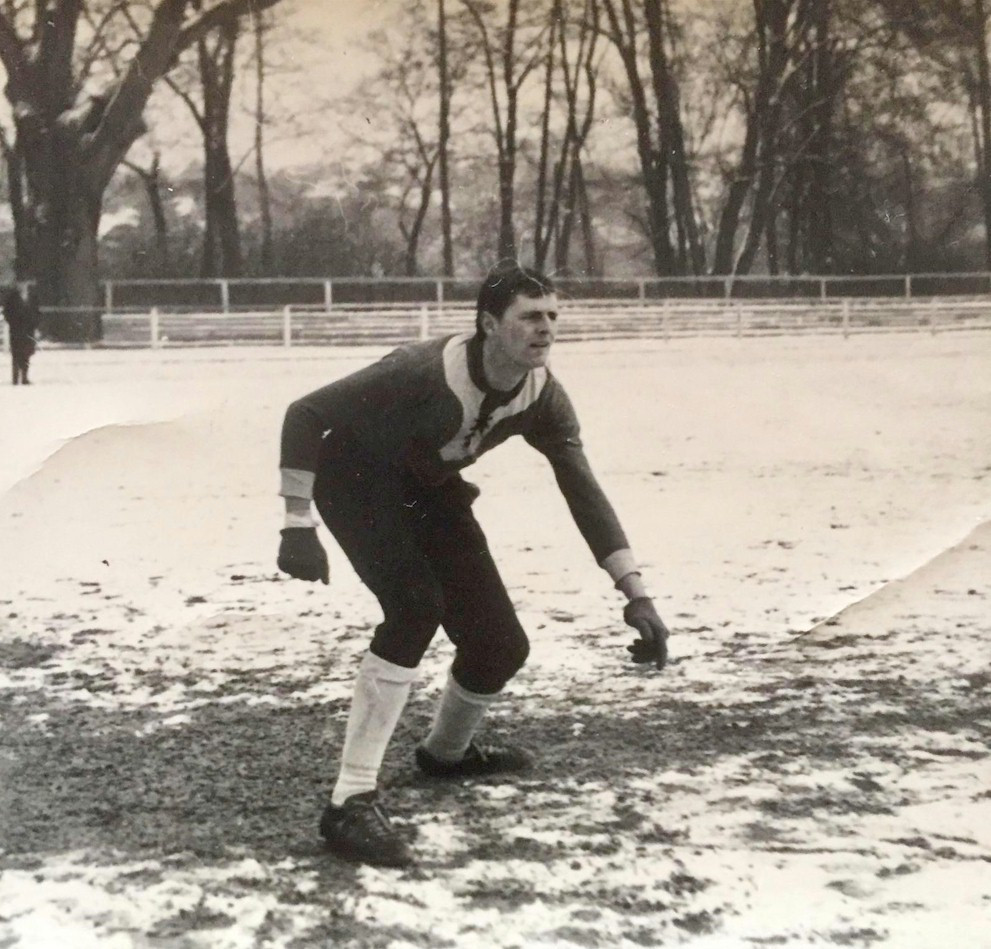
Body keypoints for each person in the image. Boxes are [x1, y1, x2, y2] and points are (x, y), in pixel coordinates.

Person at [277, 263, 670, 868]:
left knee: (499, 645)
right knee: (415, 608)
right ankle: (348, 803)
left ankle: (445, 754)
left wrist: (634, 591)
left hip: (426, 486)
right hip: (355, 480)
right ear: (489, 324)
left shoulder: (543, 396)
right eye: (529, 317)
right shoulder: (420, 371)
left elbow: (582, 489)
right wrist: (297, 524)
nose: (545, 330)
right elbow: (305, 415)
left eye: (552, 317)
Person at [2, 286, 37, 385]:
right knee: (16, 354)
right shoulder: (12, 298)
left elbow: (36, 312)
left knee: (26, 354)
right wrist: (13, 323)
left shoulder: (32, 297)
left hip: (29, 331)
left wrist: (34, 324)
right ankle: (15, 378)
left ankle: (25, 378)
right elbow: (7, 312)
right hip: (16, 331)